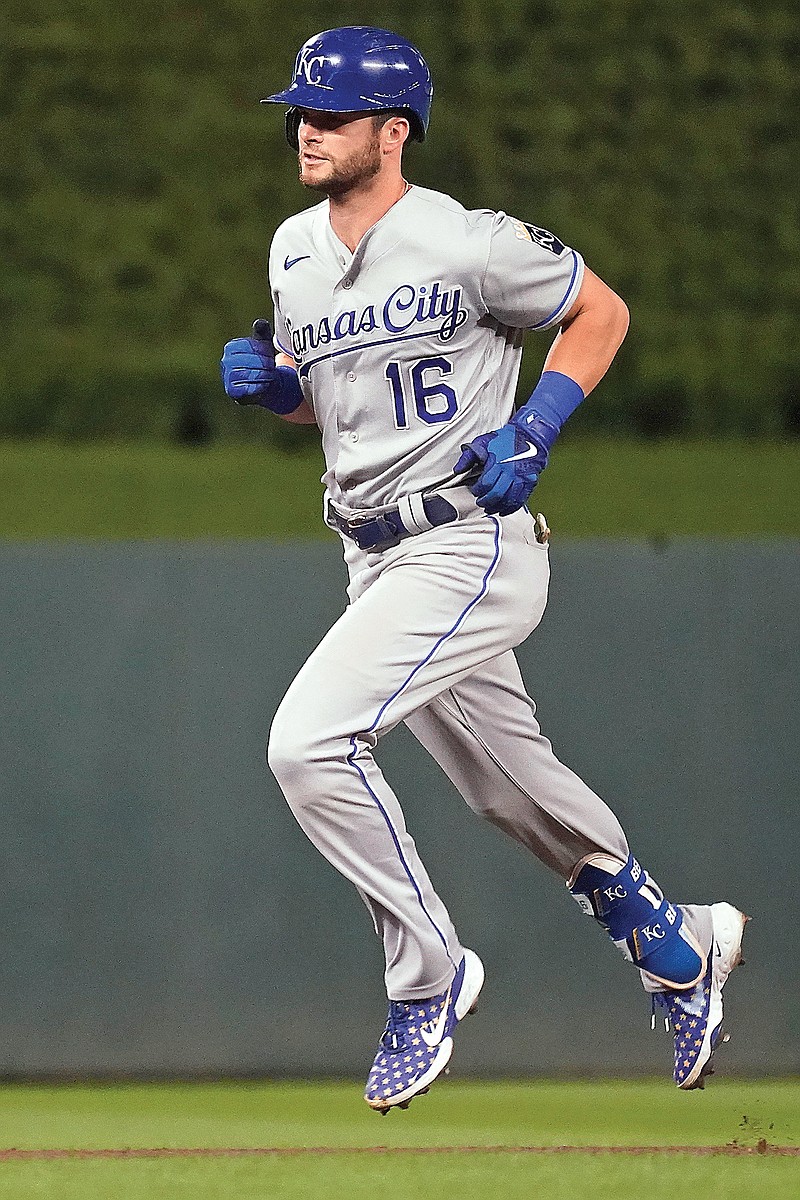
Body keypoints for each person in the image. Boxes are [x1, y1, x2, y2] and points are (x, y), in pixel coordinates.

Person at [220, 26, 747, 1114]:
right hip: (371, 554)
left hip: (466, 538)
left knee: (307, 743)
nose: (306, 129)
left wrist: (538, 425)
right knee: (508, 785)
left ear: (393, 129)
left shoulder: (467, 241)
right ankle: (673, 938)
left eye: (330, 114)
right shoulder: (290, 249)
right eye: (300, 113)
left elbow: (598, 310)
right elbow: (335, 403)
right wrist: (279, 394)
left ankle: (427, 979)